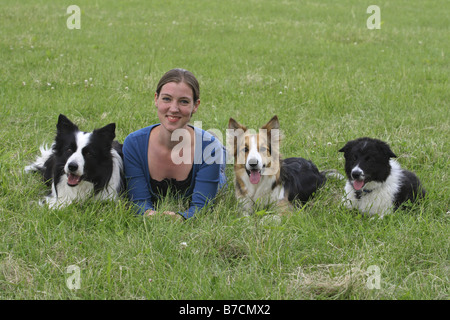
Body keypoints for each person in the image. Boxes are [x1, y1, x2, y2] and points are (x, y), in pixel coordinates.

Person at [123, 68, 226, 220]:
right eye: (166, 99)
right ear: (156, 99)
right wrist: (150, 215)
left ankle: (220, 148)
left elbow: (201, 208)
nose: (173, 108)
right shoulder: (134, 144)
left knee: (219, 154)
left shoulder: (209, 149)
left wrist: (179, 218)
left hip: (211, 153)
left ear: (195, 106)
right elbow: (139, 201)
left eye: (183, 101)